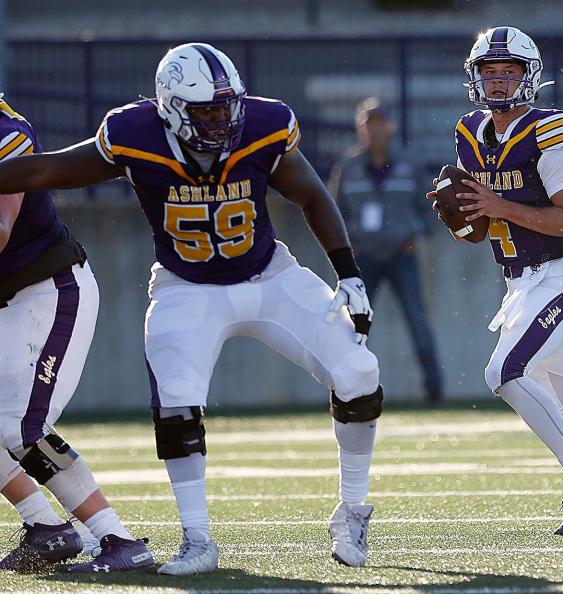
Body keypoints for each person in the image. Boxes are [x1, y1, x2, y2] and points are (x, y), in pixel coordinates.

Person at [0, 42, 382, 573]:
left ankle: (353, 509)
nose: (220, 119)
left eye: (226, 106)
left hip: (271, 276)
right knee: (176, 399)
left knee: (361, 370)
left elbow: (313, 196)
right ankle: (198, 540)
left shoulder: (265, 125)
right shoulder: (133, 135)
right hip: (186, 287)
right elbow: (47, 171)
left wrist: (349, 274)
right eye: (205, 109)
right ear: (171, 106)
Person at [427, 26, 563, 534]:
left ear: (529, 78)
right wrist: (462, 218)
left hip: (559, 276)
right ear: (474, 77)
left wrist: (496, 204)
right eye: (490, 72)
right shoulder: (469, 132)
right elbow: (478, 229)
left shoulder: (549, 129)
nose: (499, 82)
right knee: (562, 407)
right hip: (517, 284)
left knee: (503, 373)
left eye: (510, 72)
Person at [0, 97, 153, 573]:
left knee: (18, 424)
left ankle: (119, 538)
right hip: (9, 298)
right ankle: (46, 528)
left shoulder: (7, 133)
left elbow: (0, 229)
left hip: (49, 290)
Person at [330, 98, 443, 406]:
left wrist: (417, 235)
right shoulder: (349, 167)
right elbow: (333, 212)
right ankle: (347, 389)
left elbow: (432, 209)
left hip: (401, 255)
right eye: (369, 123)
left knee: (417, 320)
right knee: (354, 324)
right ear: (360, 128)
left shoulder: (408, 164)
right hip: (364, 256)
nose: (375, 129)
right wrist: (346, 243)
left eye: (380, 122)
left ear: (390, 127)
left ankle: (434, 391)